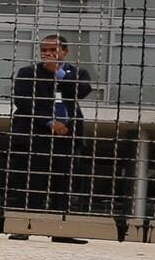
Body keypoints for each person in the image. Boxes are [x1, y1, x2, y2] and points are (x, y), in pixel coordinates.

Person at [7, 33, 92, 214]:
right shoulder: (28, 73)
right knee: (31, 183)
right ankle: (24, 226)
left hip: (66, 139)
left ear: (65, 51)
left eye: (53, 50)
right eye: (44, 50)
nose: (48, 54)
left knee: (63, 185)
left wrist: (58, 73)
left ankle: (60, 227)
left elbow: (82, 91)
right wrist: (49, 121)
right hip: (35, 138)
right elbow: (23, 101)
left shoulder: (77, 73)